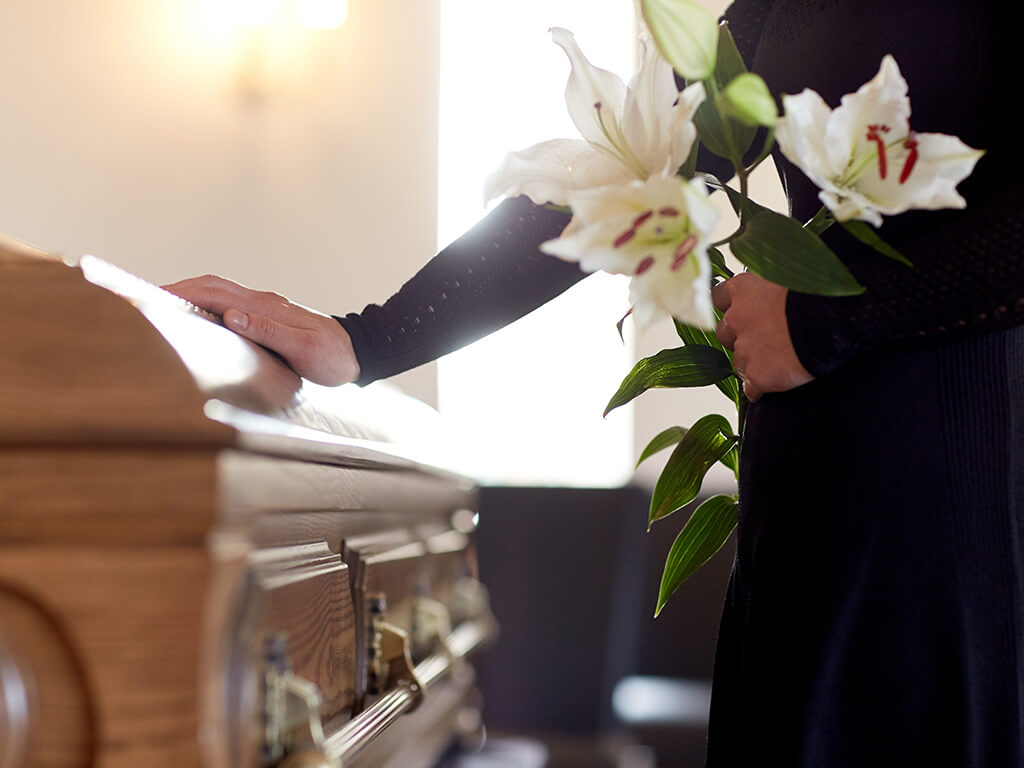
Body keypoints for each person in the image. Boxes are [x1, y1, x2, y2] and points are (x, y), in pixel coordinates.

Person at [167, 0, 1024, 764]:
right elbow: (624, 172)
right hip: (811, 493)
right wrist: (368, 338)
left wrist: (829, 317)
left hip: (962, 493)